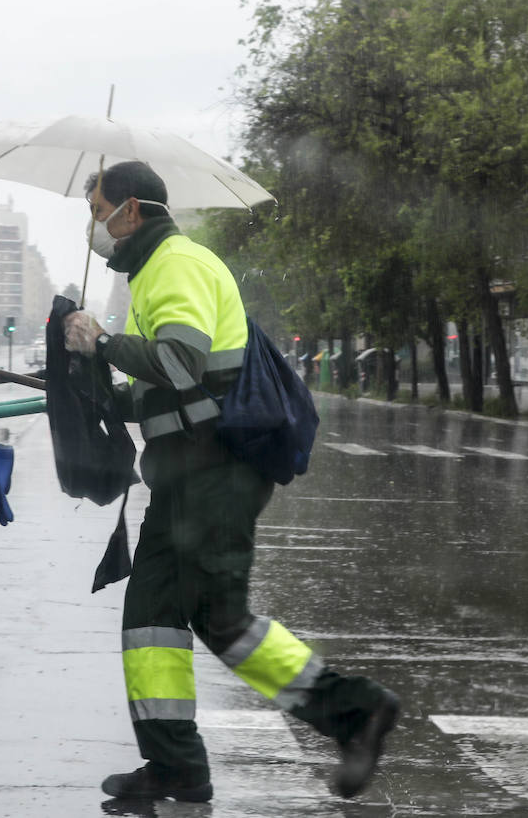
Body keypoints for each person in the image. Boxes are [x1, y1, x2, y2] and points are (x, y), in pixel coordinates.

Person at [62, 161, 400, 804]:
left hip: (216, 471)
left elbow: (181, 364)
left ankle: (355, 712)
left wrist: (103, 343)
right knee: (153, 618)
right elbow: (158, 391)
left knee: (222, 618)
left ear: (130, 210)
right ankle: (175, 767)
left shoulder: (177, 264)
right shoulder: (152, 271)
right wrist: (98, 385)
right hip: (187, 474)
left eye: (97, 208)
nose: (93, 225)